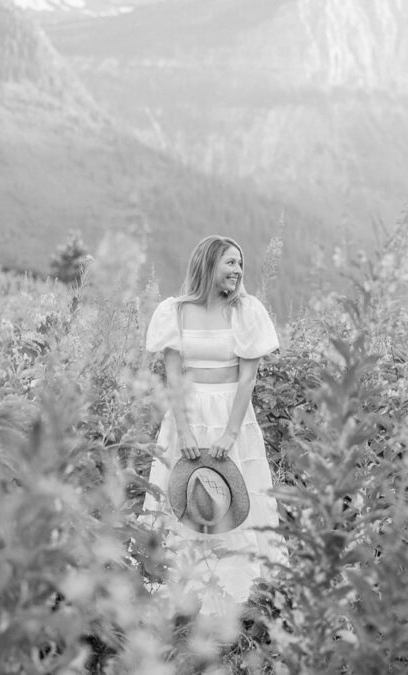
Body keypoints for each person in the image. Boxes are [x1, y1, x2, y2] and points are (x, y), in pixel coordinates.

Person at [144, 234, 281, 616]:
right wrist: (185, 431)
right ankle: (179, 593)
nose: (238, 271)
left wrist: (230, 433)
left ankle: (236, 597)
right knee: (187, 496)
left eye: (240, 263)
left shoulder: (246, 311)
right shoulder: (174, 312)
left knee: (233, 499)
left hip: (231, 416)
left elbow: (247, 379)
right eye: (230, 263)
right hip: (186, 415)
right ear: (208, 265)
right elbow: (173, 376)